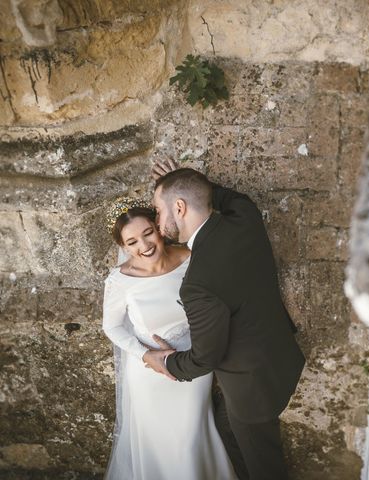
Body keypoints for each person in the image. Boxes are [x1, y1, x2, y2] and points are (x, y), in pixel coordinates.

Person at [144, 162, 305, 480]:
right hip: (281, 359)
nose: (156, 222)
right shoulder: (245, 216)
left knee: (264, 468)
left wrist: (165, 363)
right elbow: (224, 197)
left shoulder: (198, 283)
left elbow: (205, 357)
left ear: (179, 207)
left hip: (251, 390)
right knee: (224, 430)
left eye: (158, 212)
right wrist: (187, 183)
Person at [102, 197, 238, 480]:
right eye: (132, 242)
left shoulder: (191, 258)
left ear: (158, 227)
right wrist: (145, 355)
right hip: (150, 373)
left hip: (196, 363)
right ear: (123, 247)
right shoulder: (120, 281)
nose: (144, 246)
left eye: (147, 233)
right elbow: (112, 327)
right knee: (159, 444)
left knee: (191, 437)